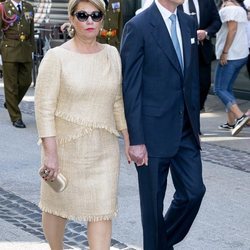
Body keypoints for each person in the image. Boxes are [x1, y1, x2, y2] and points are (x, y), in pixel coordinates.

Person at [35, 0, 130, 249]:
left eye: (96, 15)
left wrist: (130, 140)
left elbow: (117, 101)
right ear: (72, 19)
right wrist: (51, 154)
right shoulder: (56, 57)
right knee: (58, 208)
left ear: (102, 19)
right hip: (65, 150)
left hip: (104, 150)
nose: (90, 21)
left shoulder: (112, 54)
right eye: (83, 15)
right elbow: (43, 109)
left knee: (102, 210)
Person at [120, 0, 206, 249]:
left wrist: (195, 125)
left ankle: (160, 243)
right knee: (152, 207)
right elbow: (131, 87)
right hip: (151, 134)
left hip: (186, 131)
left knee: (194, 192)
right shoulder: (138, 26)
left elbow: (190, 78)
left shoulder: (189, 22)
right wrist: (136, 139)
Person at [135, 0, 222, 112]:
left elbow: (216, 21)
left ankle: (195, 112)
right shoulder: (141, 22)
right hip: (160, 108)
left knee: (202, 84)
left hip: (202, 51)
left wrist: (206, 32)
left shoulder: (199, 10)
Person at [214, 0, 250, 135]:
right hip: (241, 54)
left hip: (231, 55)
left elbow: (232, 30)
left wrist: (225, 52)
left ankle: (240, 117)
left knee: (219, 89)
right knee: (227, 88)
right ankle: (231, 122)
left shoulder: (230, 9)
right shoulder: (239, 7)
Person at [0, 0, 35, 128]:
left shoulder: (28, 7)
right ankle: (16, 117)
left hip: (25, 48)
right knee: (11, 85)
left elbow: (31, 29)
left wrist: (32, 49)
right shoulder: (3, 8)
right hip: (9, 49)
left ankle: (11, 103)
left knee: (26, 81)